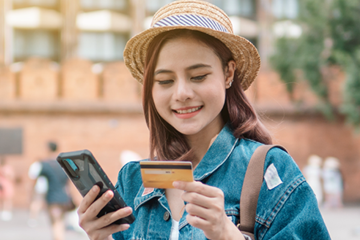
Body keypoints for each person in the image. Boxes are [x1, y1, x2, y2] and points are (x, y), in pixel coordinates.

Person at [77, 1, 331, 239]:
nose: (182, 94)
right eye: (165, 81)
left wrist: (227, 233)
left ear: (228, 73)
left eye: (198, 76)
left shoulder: (270, 170)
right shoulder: (133, 180)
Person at [28, 141, 75, 240]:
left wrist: (32, 193)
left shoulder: (45, 164)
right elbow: (68, 183)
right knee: (60, 223)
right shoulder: (63, 164)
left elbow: (35, 180)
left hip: (53, 198)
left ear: (48, 149)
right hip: (64, 198)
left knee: (56, 224)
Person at [0, 157, 15, 221]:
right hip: (2, 184)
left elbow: (11, 176)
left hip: (6, 184)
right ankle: (3, 211)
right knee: (3, 199)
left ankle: (7, 211)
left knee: (7, 199)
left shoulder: (8, 168)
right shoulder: (2, 168)